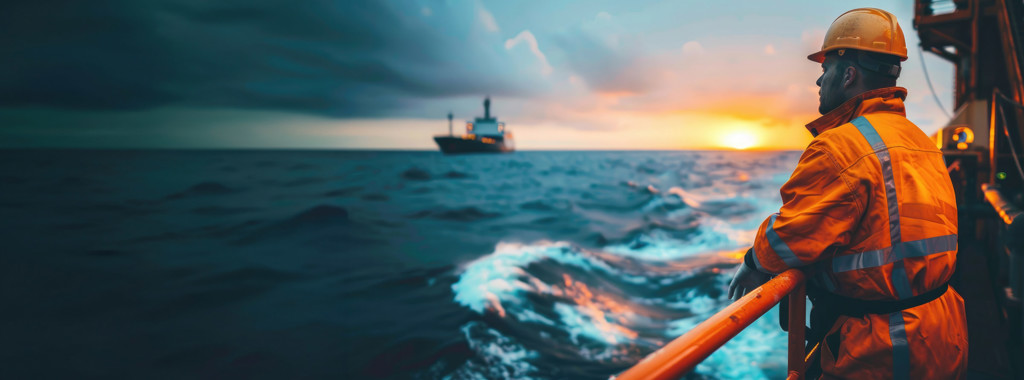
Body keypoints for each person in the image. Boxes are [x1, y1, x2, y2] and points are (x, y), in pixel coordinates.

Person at [727, 8, 968, 379]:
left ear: (849, 75)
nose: (819, 82)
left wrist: (753, 261)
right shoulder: (919, 140)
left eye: (825, 70)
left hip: (883, 347)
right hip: (941, 330)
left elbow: (794, 235)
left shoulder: (839, 147)